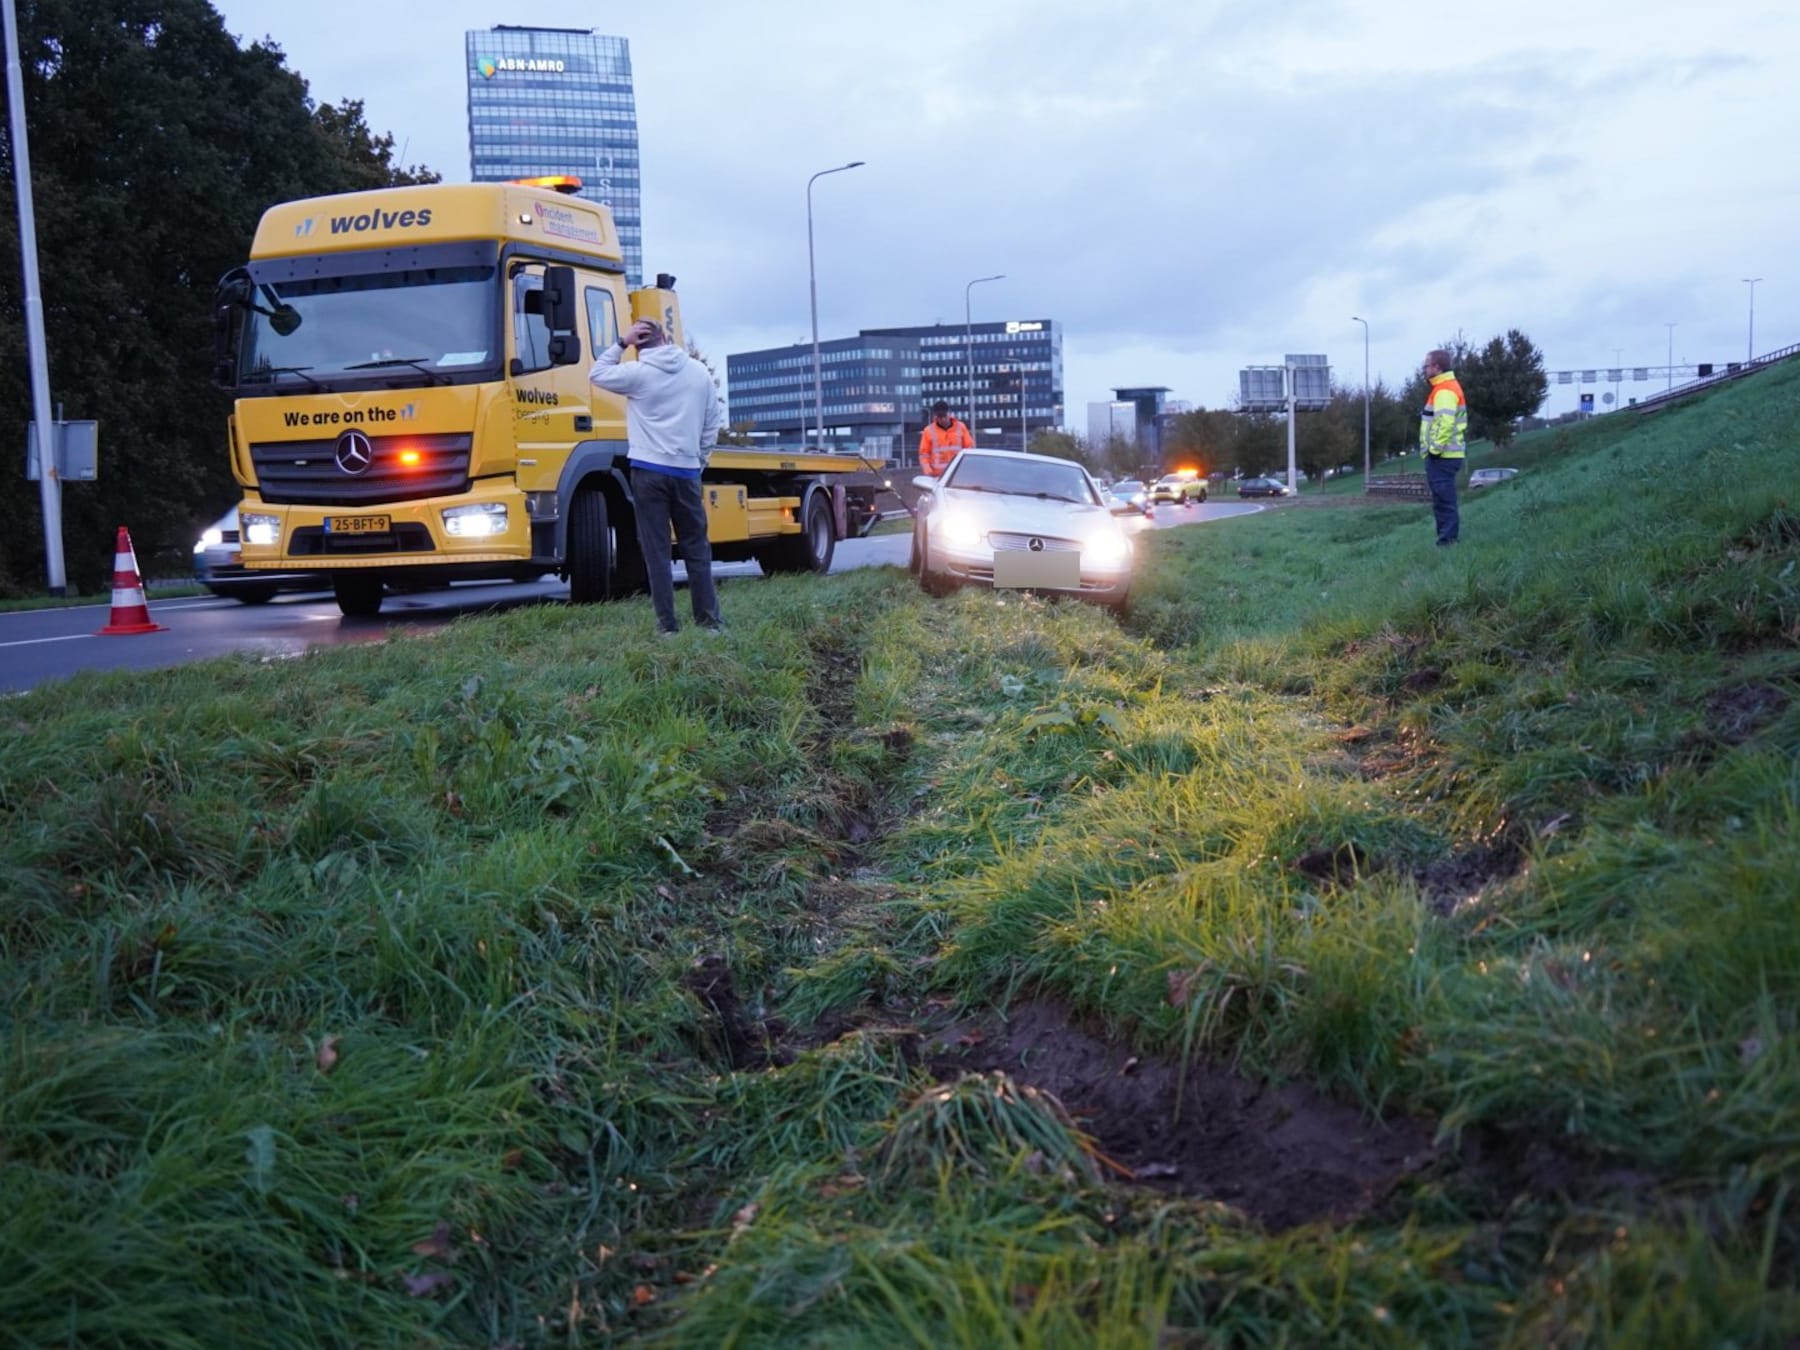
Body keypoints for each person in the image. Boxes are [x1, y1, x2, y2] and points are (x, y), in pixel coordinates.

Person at [590, 318, 725, 634]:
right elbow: (711, 424)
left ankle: (668, 626)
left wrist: (621, 342)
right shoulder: (698, 373)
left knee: (657, 552)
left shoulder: (637, 373)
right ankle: (709, 622)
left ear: (639, 344)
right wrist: (698, 461)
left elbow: (596, 373)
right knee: (696, 548)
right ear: (666, 337)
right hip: (687, 471)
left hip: (648, 472)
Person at [1419, 348, 1469, 545]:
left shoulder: (1445, 390)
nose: (1424, 369)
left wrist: (1435, 449)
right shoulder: (1443, 388)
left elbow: (1445, 423)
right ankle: (1445, 539)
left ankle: (1448, 542)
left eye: (1426, 365)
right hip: (1445, 455)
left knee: (1444, 501)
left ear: (1437, 367)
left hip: (1443, 456)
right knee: (1441, 500)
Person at [917, 400, 973, 477]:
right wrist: (928, 471)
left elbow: (969, 449)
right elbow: (924, 455)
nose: (943, 419)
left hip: (959, 475)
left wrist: (967, 469)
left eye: (944, 416)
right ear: (935, 416)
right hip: (938, 477)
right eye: (940, 417)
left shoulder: (961, 427)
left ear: (949, 412)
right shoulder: (928, 431)